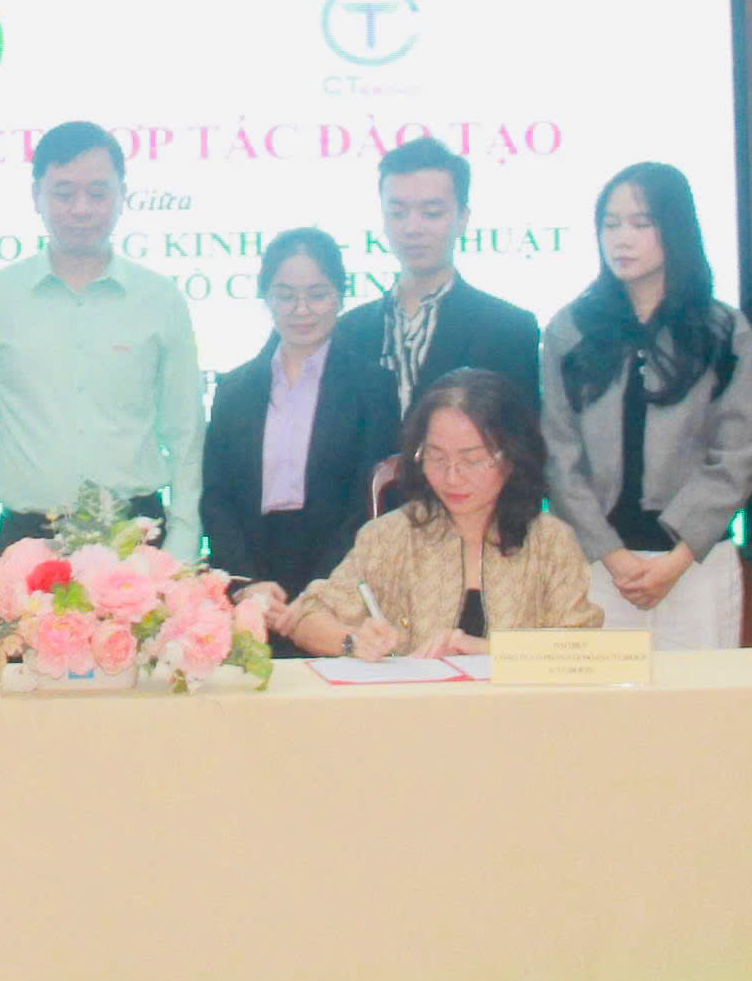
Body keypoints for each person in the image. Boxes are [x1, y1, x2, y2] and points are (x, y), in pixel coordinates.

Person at [0, 120, 205, 564]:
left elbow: (186, 433)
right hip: (27, 542)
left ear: (122, 194)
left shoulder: (160, 299)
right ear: (36, 196)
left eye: (98, 193)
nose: (81, 209)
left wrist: (182, 542)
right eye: (63, 194)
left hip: (138, 537)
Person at [539, 162, 752, 649]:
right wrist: (613, 555)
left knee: (698, 697)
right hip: (596, 564)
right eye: (611, 224)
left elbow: (738, 452)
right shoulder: (570, 329)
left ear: (675, 229)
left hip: (695, 564)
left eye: (640, 223)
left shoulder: (722, 330)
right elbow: (559, 455)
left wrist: (678, 559)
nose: (622, 239)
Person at [287, 369, 600, 657]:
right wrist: (353, 641)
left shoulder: (550, 541)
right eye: (436, 457)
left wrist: (486, 652)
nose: (452, 477)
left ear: (512, 456)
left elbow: (584, 650)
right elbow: (306, 617)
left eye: (472, 460)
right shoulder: (390, 535)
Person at [200, 227, 399, 647]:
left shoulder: (373, 386)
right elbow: (217, 497)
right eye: (286, 295)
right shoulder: (234, 388)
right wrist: (246, 582)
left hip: (339, 581)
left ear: (340, 295)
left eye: (318, 294)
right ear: (266, 298)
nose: (302, 310)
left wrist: (321, 592)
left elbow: (368, 503)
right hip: (253, 585)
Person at [332, 135, 542, 416]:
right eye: (397, 213)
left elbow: (519, 437)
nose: (412, 228)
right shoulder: (347, 331)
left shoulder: (508, 329)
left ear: (462, 219)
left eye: (431, 213)